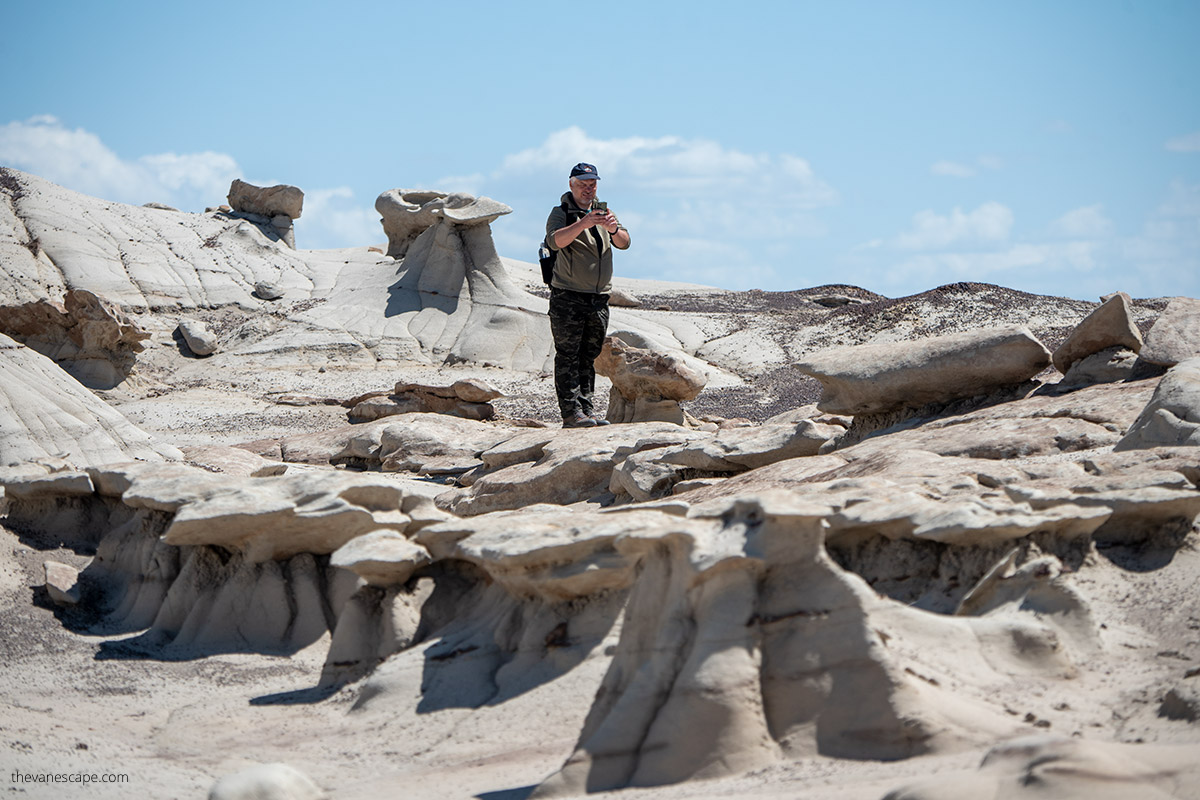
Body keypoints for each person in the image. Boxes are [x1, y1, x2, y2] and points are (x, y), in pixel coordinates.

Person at [544, 162, 630, 428]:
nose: (588, 189)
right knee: (568, 355)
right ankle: (571, 414)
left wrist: (613, 229)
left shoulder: (605, 213)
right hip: (568, 296)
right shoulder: (561, 213)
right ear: (571, 184)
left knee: (588, 355)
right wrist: (583, 223)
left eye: (592, 184)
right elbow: (555, 241)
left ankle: (587, 410)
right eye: (582, 184)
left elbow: (625, 243)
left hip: (598, 299)